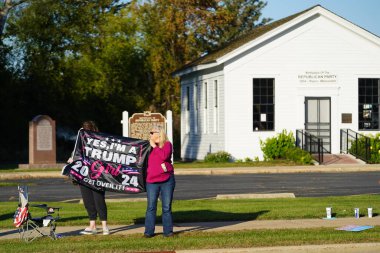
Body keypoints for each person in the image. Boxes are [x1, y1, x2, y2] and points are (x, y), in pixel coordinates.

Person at [67, 120, 109, 235]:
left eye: (86, 129)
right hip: (83, 176)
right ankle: (92, 225)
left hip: (97, 176)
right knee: (88, 201)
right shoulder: (79, 142)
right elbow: (75, 154)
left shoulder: (101, 142)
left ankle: (105, 226)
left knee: (99, 200)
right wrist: (72, 159)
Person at [144, 126, 175, 238]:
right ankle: (148, 232)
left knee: (166, 207)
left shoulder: (167, 144)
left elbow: (164, 156)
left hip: (167, 180)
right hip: (151, 181)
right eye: (150, 133)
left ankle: (168, 232)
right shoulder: (148, 147)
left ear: (159, 133)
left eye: (152, 132)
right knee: (151, 207)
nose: (151, 135)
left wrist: (155, 146)